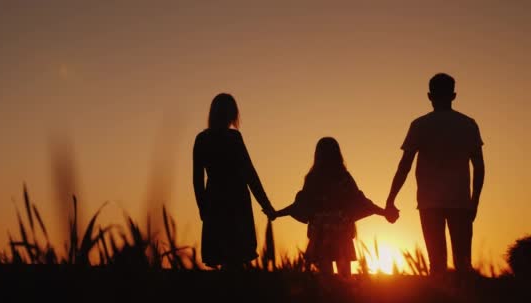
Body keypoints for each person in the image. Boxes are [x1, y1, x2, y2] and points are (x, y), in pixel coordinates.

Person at [385, 73, 485, 276]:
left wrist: (391, 199)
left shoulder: (420, 125)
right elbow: (480, 167)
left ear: (429, 96)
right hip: (460, 202)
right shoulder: (468, 124)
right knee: (463, 263)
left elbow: (404, 165)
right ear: (454, 95)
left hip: (429, 203)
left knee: (436, 265)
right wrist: (474, 202)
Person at [271, 137, 389, 276]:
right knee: (345, 278)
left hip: (321, 233)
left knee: (326, 279)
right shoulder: (343, 177)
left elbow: (301, 204)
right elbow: (360, 200)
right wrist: (384, 212)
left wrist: (277, 213)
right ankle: (345, 298)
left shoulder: (314, 178)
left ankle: (329, 297)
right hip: (342, 231)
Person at [193, 93, 276, 270]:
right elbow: (250, 174)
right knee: (236, 258)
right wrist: (266, 204)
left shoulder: (202, 139)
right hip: (236, 201)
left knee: (224, 256)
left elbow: (197, 180)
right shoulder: (233, 138)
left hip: (215, 200)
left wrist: (202, 206)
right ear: (232, 114)